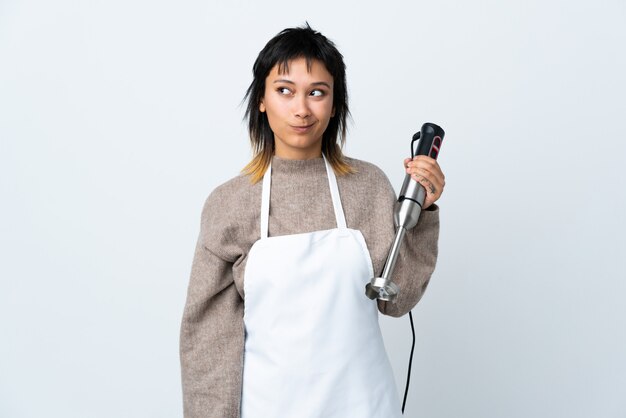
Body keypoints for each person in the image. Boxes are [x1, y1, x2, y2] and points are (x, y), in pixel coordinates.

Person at [180, 24, 445, 418]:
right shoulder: (229, 204)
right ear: (262, 101)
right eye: (284, 90)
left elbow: (397, 300)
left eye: (317, 92)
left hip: (364, 406)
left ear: (335, 103)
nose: (301, 109)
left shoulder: (368, 186)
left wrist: (420, 213)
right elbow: (208, 342)